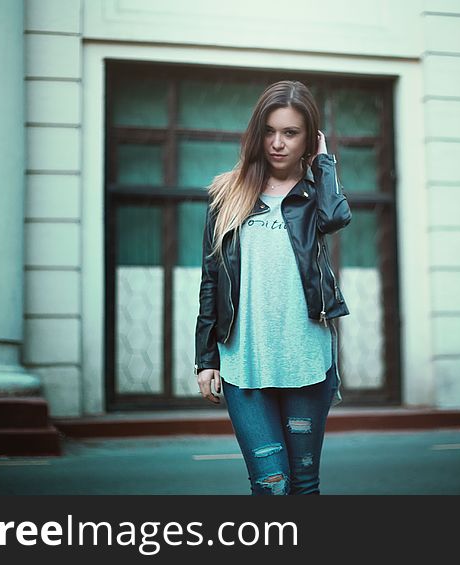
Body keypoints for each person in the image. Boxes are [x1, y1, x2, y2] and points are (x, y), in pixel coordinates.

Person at [194, 80, 351, 495]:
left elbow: (337, 219)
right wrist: (205, 357)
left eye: (291, 133)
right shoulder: (227, 193)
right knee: (271, 485)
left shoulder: (317, 193)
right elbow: (211, 278)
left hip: (306, 362)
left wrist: (324, 164)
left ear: (308, 139)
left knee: (303, 485)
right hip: (244, 363)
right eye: (269, 131)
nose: (277, 143)